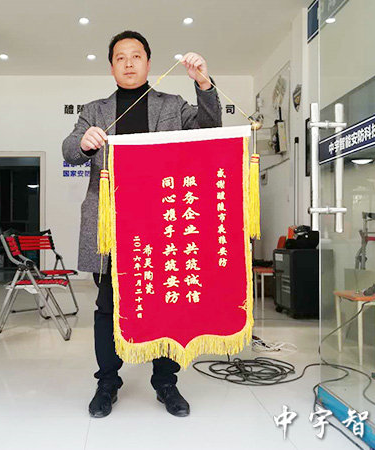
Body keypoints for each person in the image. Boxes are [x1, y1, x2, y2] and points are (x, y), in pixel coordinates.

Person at [62, 30, 222, 418]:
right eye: (120, 57)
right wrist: (83, 142)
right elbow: (69, 150)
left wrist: (203, 83)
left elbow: (211, 129)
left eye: (136, 56)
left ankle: (166, 382)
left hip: (160, 220)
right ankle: (107, 382)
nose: (129, 63)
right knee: (107, 306)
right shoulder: (94, 110)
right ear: (111, 67)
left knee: (165, 304)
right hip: (109, 223)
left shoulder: (172, 104)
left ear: (149, 63)